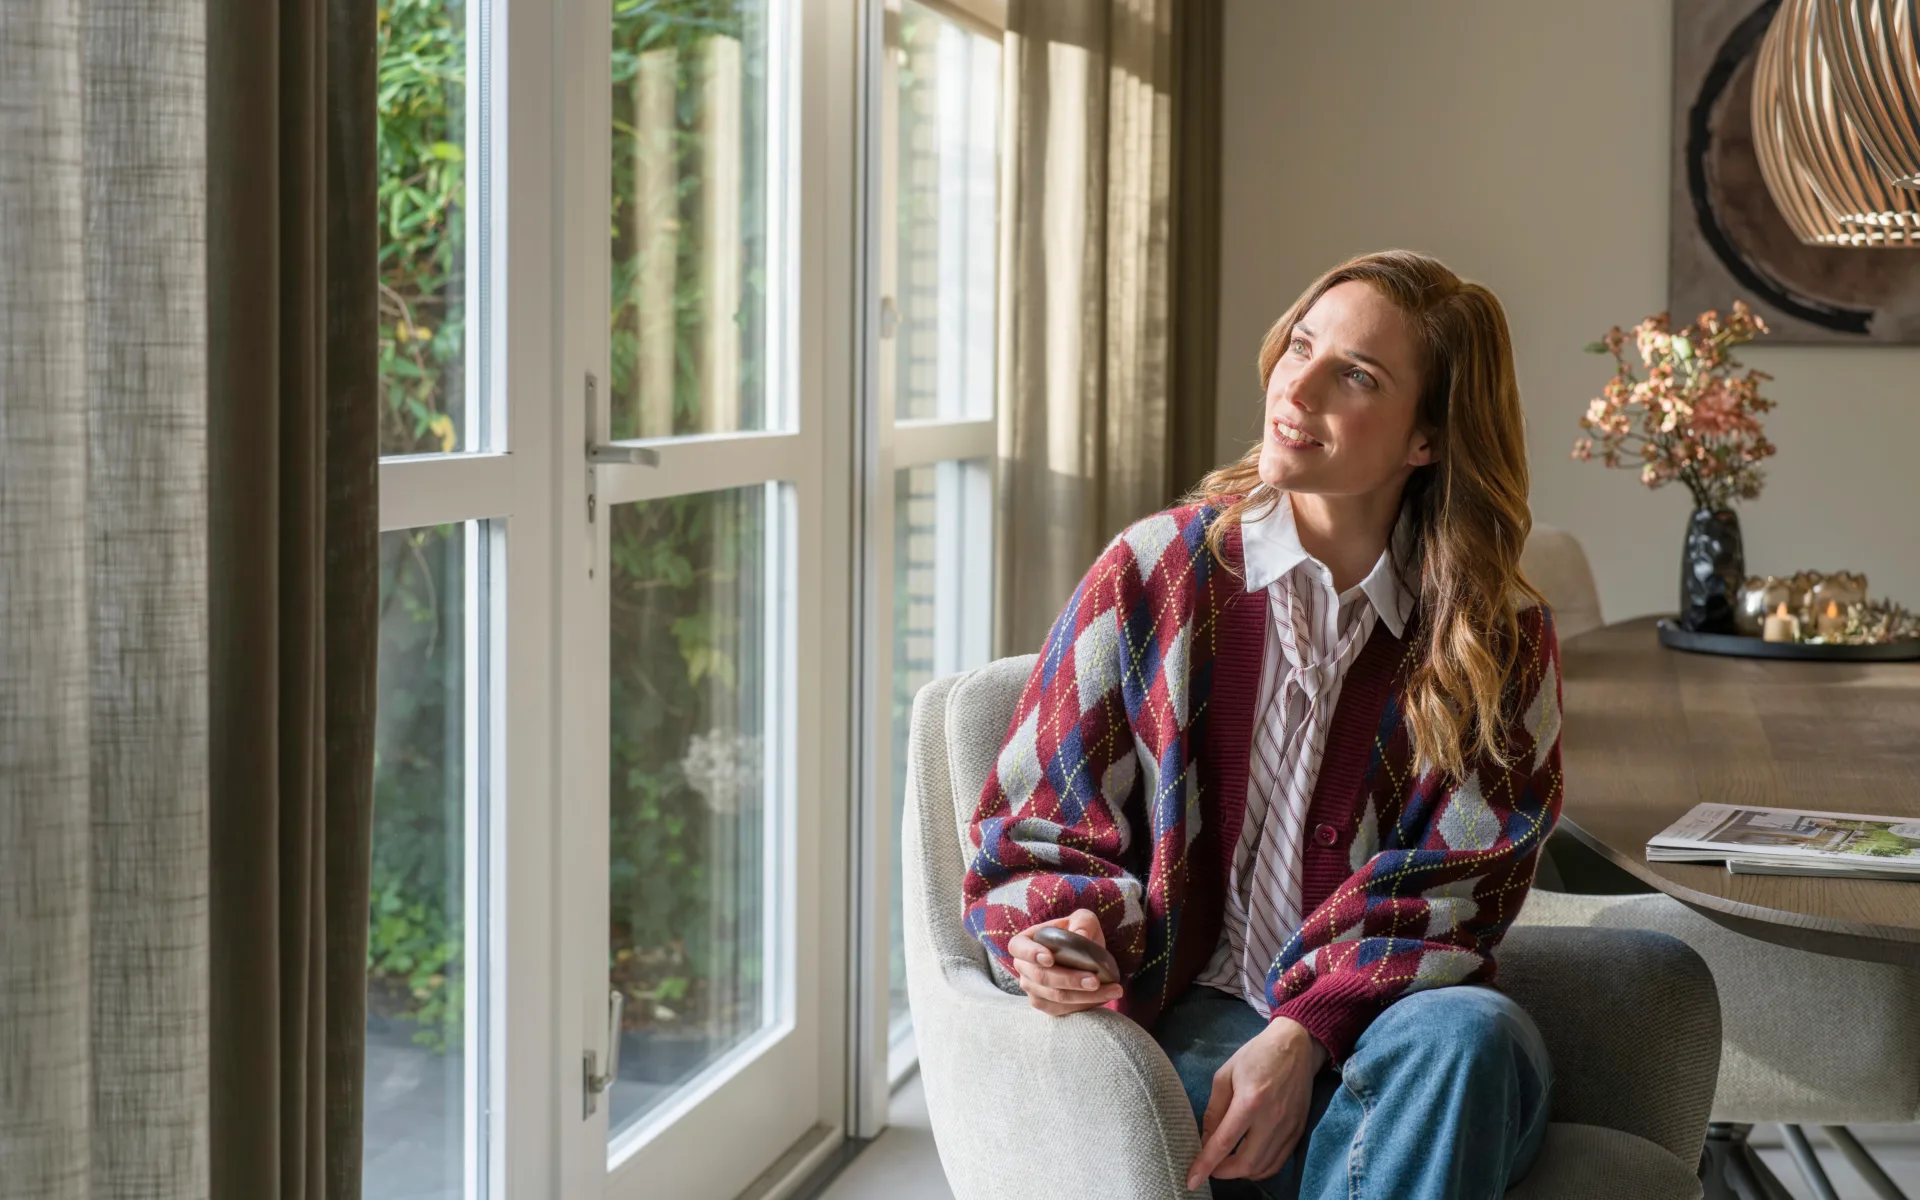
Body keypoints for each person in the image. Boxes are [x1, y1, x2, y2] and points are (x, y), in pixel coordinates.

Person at [962, 250, 1563, 1199]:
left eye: (1357, 375)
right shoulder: (1153, 572)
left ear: (1427, 439)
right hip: (1191, 1012)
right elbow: (1039, 820)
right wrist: (1069, 926)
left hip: (1400, 1033)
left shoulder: (1496, 636)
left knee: (1472, 1040)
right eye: (1303, 344)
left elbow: (1465, 884)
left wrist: (1305, 1031)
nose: (1299, 384)